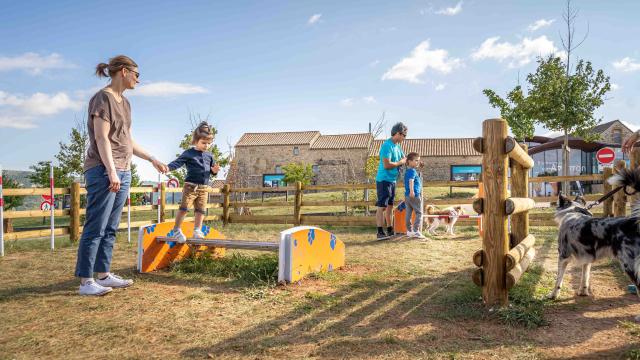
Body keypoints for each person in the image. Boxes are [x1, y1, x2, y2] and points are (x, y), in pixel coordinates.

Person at [75, 55, 168, 296]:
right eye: (137, 75)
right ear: (124, 72)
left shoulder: (125, 104)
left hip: (123, 171)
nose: (138, 79)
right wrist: (111, 171)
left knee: (111, 227)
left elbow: (127, 140)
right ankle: (86, 281)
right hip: (103, 170)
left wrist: (152, 159)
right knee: (96, 226)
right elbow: (101, 138)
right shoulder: (102, 98)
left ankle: (103, 275)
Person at [167, 122, 220, 242]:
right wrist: (168, 167)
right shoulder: (189, 153)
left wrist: (214, 171)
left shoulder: (210, 156)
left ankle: (197, 230)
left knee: (201, 210)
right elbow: (178, 162)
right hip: (190, 187)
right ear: (196, 141)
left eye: (208, 144)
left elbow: (211, 170)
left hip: (204, 188)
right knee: (184, 208)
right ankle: (176, 230)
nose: (206, 146)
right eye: (203, 143)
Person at [375, 122, 407, 239]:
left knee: (390, 206)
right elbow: (387, 165)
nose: (404, 138)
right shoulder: (386, 146)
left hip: (392, 180)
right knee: (382, 206)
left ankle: (389, 229)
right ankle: (380, 232)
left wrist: (416, 162)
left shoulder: (397, 146)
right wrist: (400, 162)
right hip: (383, 179)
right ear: (398, 133)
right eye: (404, 135)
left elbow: (405, 158)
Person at [404, 152, 426, 239]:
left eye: (418, 160)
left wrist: (420, 168)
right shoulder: (412, 171)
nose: (418, 162)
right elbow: (411, 181)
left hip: (407, 196)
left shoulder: (409, 171)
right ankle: (416, 231)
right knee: (419, 212)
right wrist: (412, 191)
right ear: (409, 161)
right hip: (414, 195)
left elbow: (413, 178)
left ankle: (409, 231)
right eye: (416, 160)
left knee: (408, 213)